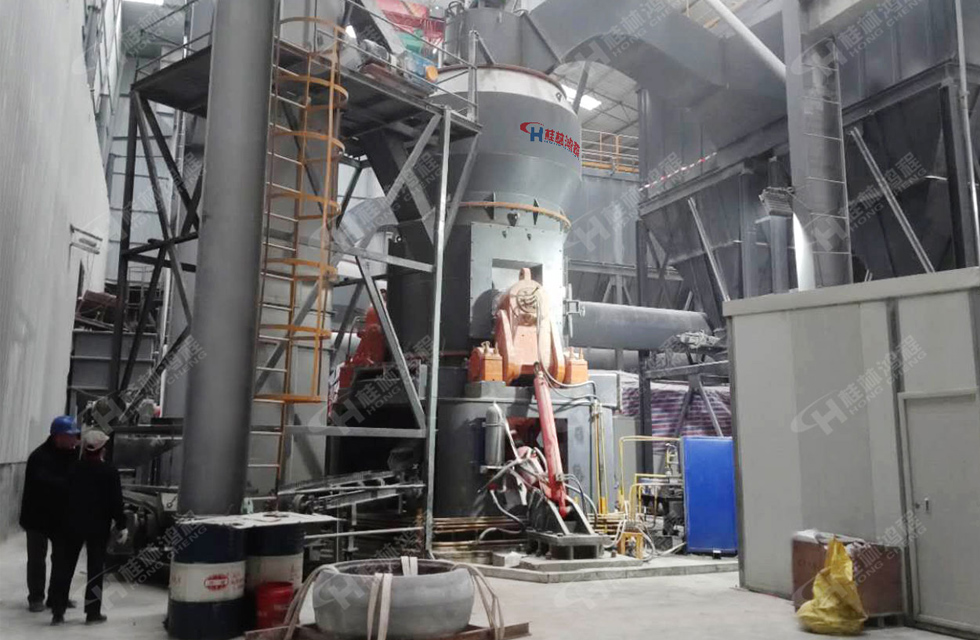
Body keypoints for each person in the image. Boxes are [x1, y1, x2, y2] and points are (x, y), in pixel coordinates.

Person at [48, 429, 127, 625]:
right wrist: (122, 525)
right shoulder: (109, 472)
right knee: (96, 570)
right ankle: (92, 613)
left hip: (71, 525)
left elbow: (60, 497)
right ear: (102, 449)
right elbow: (116, 502)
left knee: (64, 568)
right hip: (98, 528)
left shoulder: (72, 469)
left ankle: (58, 612)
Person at [19, 415, 80, 613]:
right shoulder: (39, 457)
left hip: (60, 517)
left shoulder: (72, 455)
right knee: (37, 558)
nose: (74, 440)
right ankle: (36, 597)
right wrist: (70, 483)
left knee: (61, 559)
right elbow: (46, 484)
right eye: (70, 436)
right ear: (58, 436)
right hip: (36, 517)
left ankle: (57, 597)